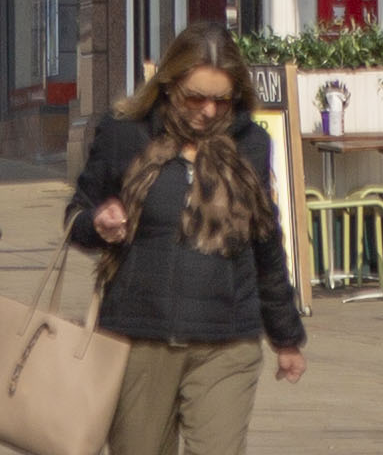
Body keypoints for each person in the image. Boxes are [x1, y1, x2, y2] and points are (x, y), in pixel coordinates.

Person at [70, 27, 307, 455]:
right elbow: (77, 216)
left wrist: (286, 338)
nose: (209, 110)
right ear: (168, 83)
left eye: (222, 99)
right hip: (138, 338)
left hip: (226, 341)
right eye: (195, 97)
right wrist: (97, 221)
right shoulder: (126, 134)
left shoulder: (251, 144)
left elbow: (266, 244)